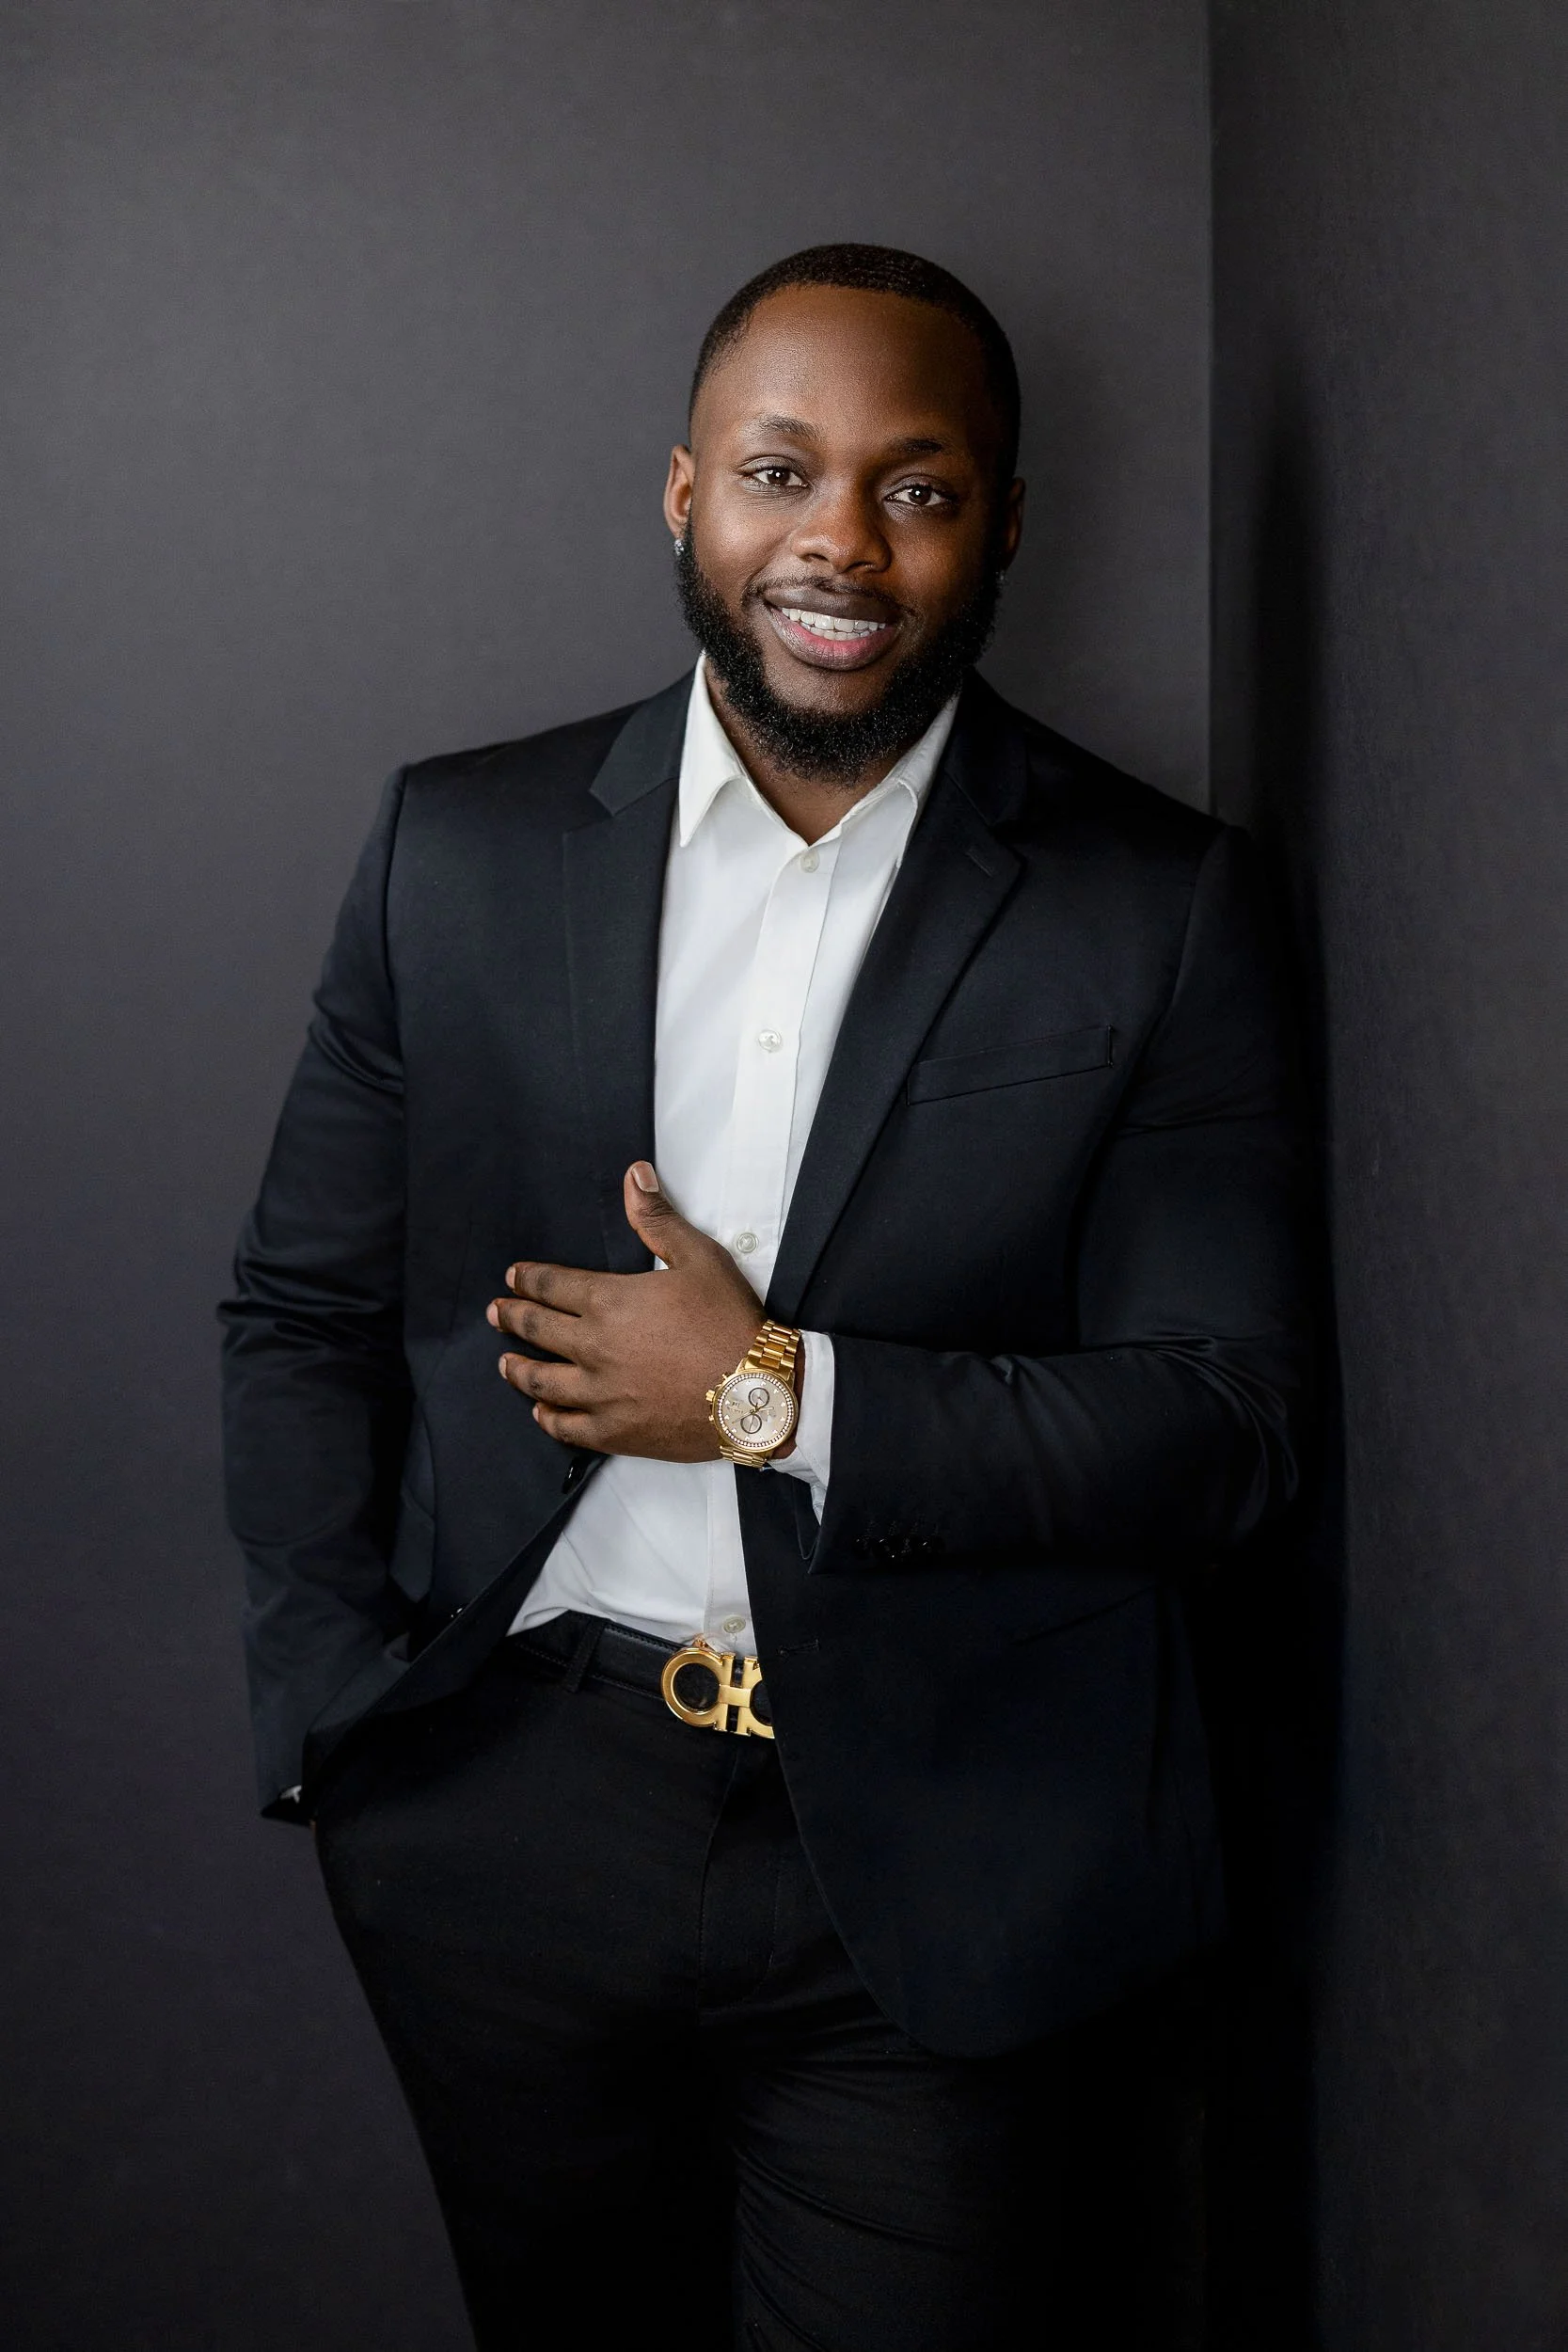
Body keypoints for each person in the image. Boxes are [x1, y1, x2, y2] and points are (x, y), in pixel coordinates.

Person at [221, 243, 1307, 2350]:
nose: (839, 541)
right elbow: (298, 1308)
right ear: (683, 494)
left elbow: (1227, 1421)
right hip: (503, 1824)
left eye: (917, 487)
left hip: (941, 1857)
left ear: (1003, 523)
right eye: (779, 472)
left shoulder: (1155, 908)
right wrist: (332, 1723)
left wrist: (768, 1390)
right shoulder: (458, 847)